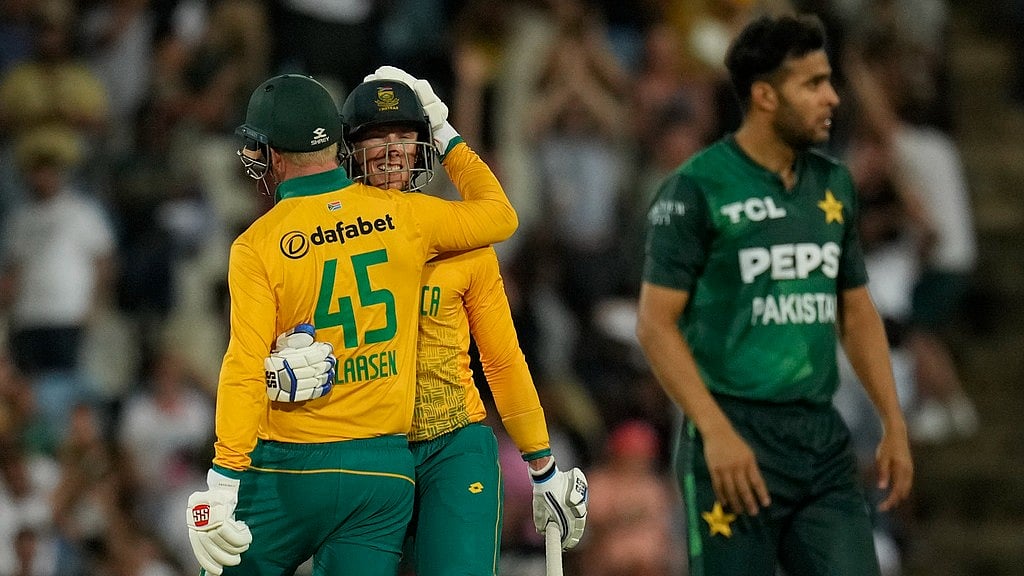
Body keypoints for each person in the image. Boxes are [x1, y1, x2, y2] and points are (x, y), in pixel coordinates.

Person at [183, 72, 519, 576]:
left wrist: (223, 480)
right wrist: (447, 135)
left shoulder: (256, 245)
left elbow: (243, 368)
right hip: (383, 474)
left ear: (273, 156)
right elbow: (500, 216)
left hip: (289, 466)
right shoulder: (406, 214)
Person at [271, 66, 589, 576]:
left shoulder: (456, 235)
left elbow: (502, 359)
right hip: (361, 448)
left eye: (407, 136)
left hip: (452, 445)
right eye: (377, 136)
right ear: (347, 150)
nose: (394, 149)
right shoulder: (319, 237)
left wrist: (542, 465)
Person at [634, 14, 914, 576]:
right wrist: (714, 430)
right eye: (812, 84)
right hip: (734, 440)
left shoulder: (832, 184)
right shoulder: (695, 189)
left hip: (820, 440)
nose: (832, 98)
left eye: (830, 81)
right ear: (764, 96)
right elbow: (654, 324)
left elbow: (856, 311)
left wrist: (893, 421)